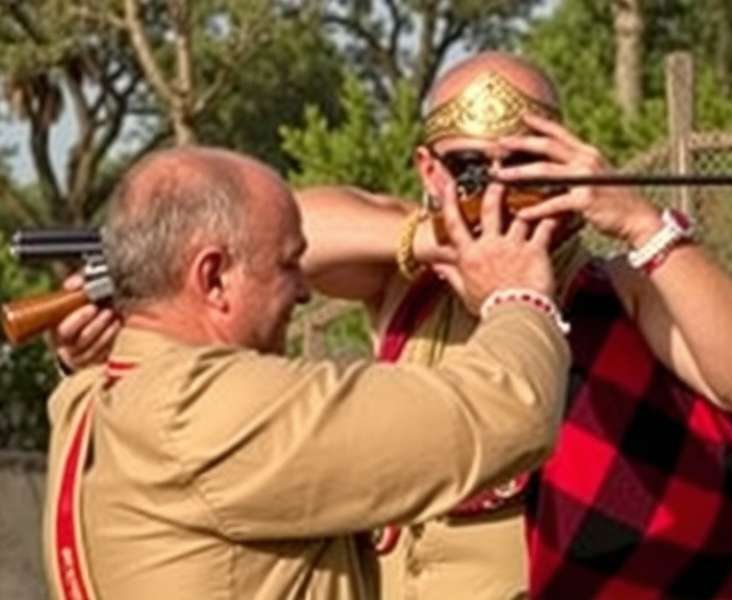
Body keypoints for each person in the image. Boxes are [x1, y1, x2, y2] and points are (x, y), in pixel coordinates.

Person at [55, 53, 732, 598]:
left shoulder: (621, 286)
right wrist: (441, 238)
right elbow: (274, 236)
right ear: (427, 168)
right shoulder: (406, 283)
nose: (499, 188)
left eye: (527, 162)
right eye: (471, 166)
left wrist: (638, 221)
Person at [43, 145, 571, 600]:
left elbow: (87, 380)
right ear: (214, 277)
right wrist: (516, 295)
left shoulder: (89, 405)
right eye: (287, 264)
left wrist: (80, 358)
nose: (303, 290)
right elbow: (502, 412)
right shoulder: (208, 409)